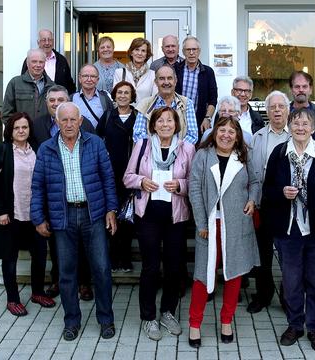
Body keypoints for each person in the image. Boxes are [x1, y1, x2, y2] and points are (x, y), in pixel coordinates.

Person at [0, 85, 96, 300]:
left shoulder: (83, 127)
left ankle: (70, 285)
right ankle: (29, 293)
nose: (56, 103)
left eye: (61, 99)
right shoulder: (29, 132)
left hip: (63, 199)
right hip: (29, 205)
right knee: (33, 251)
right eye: (52, 100)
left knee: (59, 249)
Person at [30, 102, 119, 341]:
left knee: (101, 269)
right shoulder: (46, 149)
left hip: (93, 215)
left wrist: (111, 209)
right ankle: (71, 321)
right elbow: (37, 186)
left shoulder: (96, 144)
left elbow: (108, 179)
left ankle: (106, 320)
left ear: (80, 121)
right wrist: (38, 217)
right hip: (63, 216)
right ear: (56, 122)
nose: (69, 124)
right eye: (64, 120)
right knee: (67, 273)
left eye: (73, 120)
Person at [262, 108, 315, 351]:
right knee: (291, 281)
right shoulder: (279, 154)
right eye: (296, 123)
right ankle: (295, 324)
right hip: (289, 230)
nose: (300, 127)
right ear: (289, 126)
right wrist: (281, 192)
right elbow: (267, 192)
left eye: (305, 124)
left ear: (314, 128)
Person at [123, 107, 195, 341]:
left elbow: (194, 182)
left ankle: (168, 312)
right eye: (160, 121)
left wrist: (180, 185)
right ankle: (148, 317)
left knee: (174, 267)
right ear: (153, 125)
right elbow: (127, 178)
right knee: (150, 267)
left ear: (177, 124)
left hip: (175, 216)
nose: (165, 124)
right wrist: (142, 181)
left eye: (170, 121)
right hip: (148, 216)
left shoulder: (187, 148)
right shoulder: (142, 145)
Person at [187, 117, 260, 348]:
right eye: (222, 130)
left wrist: (252, 200)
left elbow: (256, 182)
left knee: (234, 274)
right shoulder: (202, 155)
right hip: (209, 226)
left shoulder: (244, 156)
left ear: (237, 136)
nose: (226, 135)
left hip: (236, 224)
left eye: (231, 131)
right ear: (214, 132)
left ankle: (226, 320)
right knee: (202, 276)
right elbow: (194, 190)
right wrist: (201, 224)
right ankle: (195, 324)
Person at [0, 112, 56, 317]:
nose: (21, 131)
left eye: (24, 127)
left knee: (40, 255)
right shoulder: (2, 150)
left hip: (34, 214)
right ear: (10, 131)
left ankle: (38, 292)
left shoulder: (37, 150)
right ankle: (13, 299)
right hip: (10, 214)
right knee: (10, 258)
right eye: (17, 128)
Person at [246, 90, 291, 314]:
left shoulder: (296, 136)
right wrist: (253, 200)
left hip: (288, 207)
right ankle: (264, 294)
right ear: (267, 111)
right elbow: (253, 173)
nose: (276, 111)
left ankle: (288, 296)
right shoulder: (258, 137)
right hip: (263, 204)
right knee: (262, 254)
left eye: (280, 107)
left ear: (287, 110)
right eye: (272, 107)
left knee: (287, 255)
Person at [96, 81, 138, 272]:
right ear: (114, 95)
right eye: (119, 92)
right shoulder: (106, 117)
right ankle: (113, 258)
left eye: (126, 93)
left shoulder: (139, 117)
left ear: (132, 96)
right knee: (111, 214)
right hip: (110, 174)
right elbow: (97, 142)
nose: (122, 96)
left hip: (131, 174)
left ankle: (125, 258)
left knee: (128, 218)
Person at [133, 65, 198, 145]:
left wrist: (174, 150)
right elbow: (138, 135)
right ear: (156, 82)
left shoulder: (187, 103)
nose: (166, 82)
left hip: (180, 154)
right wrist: (158, 150)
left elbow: (192, 135)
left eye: (170, 78)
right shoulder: (145, 104)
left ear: (175, 81)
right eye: (162, 78)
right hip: (151, 154)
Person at [175, 36, 218, 133]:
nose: (191, 53)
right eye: (188, 50)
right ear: (183, 52)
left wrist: (207, 118)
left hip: (199, 123)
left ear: (199, 51)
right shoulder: (175, 70)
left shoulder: (208, 72)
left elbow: (213, 99)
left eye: (194, 49)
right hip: (177, 121)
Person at [2, 48, 54, 123]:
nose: (38, 65)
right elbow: (6, 115)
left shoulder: (52, 86)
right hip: (23, 134)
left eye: (41, 62)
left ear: (45, 63)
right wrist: (18, 131)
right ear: (27, 63)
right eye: (34, 61)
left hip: (45, 134)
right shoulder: (15, 84)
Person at [21, 29, 76, 94]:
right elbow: (24, 81)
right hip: (36, 101)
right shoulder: (30, 60)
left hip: (57, 101)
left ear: (53, 42)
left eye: (50, 40)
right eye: (44, 40)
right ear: (38, 43)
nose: (47, 43)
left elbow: (69, 83)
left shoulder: (62, 60)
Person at [289, 71, 315, 147]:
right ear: (291, 89)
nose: (301, 90)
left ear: (310, 89)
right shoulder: (284, 113)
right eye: (297, 87)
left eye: (304, 86)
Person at [72, 64, 114, 129]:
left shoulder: (105, 99)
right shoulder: (71, 99)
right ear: (80, 78)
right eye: (85, 76)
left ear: (97, 80)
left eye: (93, 76)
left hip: (99, 138)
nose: (89, 79)